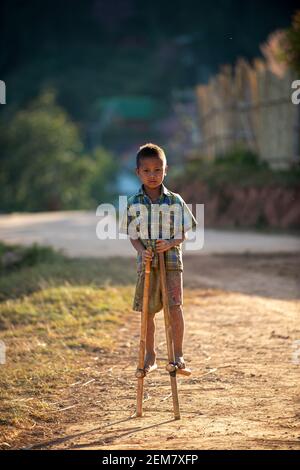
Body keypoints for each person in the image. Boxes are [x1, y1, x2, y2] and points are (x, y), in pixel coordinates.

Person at [119, 143, 197, 374]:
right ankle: (150, 355)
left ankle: (178, 355)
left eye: (157, 170)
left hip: (172, 264)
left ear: (166, 170)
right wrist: (142, 250)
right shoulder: (133, 203)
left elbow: (184, 232)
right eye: (147, 170)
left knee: (175, 307)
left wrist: (171, 242)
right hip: (147, 265)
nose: (152, 175)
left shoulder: (175, 200)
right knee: (148, 311)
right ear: (138, 172)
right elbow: (133, 236)